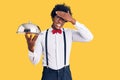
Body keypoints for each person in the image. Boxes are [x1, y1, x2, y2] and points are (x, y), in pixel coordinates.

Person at [25, 4, 93, 80]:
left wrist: (73, 20)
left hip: (65, 73)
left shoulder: (69, 33)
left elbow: (89, 37)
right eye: (58, 17)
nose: (60, 21)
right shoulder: (42, 35)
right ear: (53, 17)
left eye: (63, 19)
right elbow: (35, 61)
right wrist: (31, 49)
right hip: (48, 74)